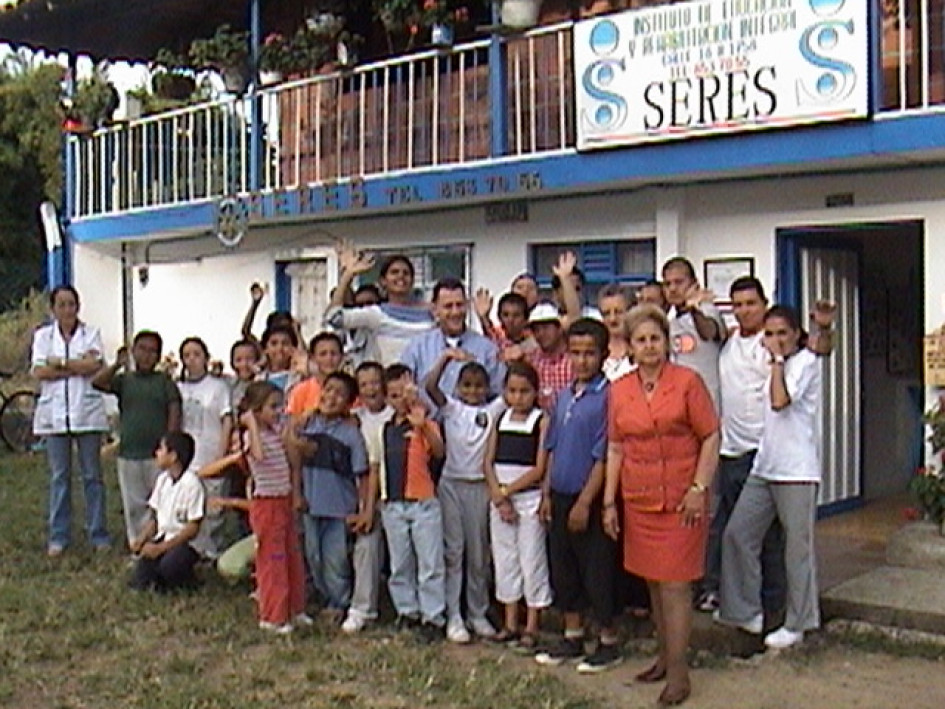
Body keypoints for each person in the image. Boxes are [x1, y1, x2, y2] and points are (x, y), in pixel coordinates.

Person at [603, 304, 720, 706]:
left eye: (656, 338)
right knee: (653, 583)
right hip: (639, 500)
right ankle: (663, 656)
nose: (649, 346)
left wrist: (699, 487)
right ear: (630, 346)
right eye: (641, 340)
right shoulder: (619, 390)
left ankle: (679, 672)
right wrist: (608, 502)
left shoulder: (688, 382)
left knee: (675, 585)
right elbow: (616, 447)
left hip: (682, 500)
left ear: (667, 342)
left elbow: (711, 436)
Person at [697, 279, 836, 614]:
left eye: (751, 303)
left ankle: (777, 611)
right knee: (734, 533)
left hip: (766, 451)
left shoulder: (779, 346)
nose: (745, 310)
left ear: (763, 303)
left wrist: (823, 327)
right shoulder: (729, 342)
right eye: (738, 304)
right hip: (733, 452)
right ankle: (742, 608)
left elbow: (818, 348)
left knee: (775, 543)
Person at [718, 305, 824, 651]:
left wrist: (778, 361)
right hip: (765, 465)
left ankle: (799, 622)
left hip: (796, 470)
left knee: (797, 549)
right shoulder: (767, 362)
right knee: (737, 534)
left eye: (782, 333)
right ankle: (746, 611)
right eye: (770, 333)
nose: (775, 340)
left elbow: (780, 401)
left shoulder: (804, 363)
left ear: (796, 335)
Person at [535, 318, 621, 674]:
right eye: (576, 353)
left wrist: (587, 501)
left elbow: (605, 452)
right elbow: (551, 446)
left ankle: (608, 641)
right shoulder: (564, 395)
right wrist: (546, 493)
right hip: (560, 492)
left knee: (596, 571)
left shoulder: (608, 397)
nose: (582, 360)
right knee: (564, 568)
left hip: (591, 496)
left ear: (602, 355)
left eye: (590, 354)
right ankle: (572, 635)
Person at [425, 351, 507, 643]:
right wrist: (446, 358)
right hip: (451, 485)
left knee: (478, 554)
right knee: (453, 552)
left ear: (487, 388)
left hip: (480, 487)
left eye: (478, 386)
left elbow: (512, 386)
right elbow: (430, 386)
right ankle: (454, 615)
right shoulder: (452, 409)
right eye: (467, 385)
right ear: (458, 388)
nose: (473, 391)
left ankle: (477, 612)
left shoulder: (494, 409)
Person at [31, 285, 111, 557]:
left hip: (86, 413)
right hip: (54, 416)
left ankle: (98, 533)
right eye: (62, 305)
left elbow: (94, 366)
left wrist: (61, 364)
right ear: (53, 309)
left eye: (71, 304)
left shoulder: (91, 334)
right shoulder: (43, 336)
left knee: (92, 476)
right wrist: (75, 365)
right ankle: (59, 535)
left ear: (79, 307)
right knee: (60, 477)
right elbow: (40, 371)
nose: (67, 310)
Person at [289, 371, 369, 620]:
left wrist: (362, 508)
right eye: (329, 390)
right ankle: (324, 597)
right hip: (311, 505)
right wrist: (297, 494)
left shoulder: (350, 434)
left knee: (335, 560)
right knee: (313, 555)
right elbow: (294, 460)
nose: (332, 397)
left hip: (339, 508)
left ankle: (339, 602)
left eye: (340, 394)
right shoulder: (307, 426)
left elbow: (362, 474)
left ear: (349, 403)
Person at [482, 360, 551, 648]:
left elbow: (539, 467)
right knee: (505, 559)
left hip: (528, 498)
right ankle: (510, 622)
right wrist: (497, 494)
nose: (518, 397)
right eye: (512, 391)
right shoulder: (501, 419)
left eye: (524, 391)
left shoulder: (541, 420)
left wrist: (509, 490)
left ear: (535, 392)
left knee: (531, 559)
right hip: (501, 501)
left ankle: (532, 624)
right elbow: (487, 460)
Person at [92, 331, 182, 549]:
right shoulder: (125, 380)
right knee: (134, 504)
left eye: (153, 351)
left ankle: (159, 542)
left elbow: (174, 410)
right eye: (142, 349)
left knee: (160, 501)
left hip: (157, 454)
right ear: (133, 352)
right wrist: (116, 365)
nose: (147, 356)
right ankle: (137, 545)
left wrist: (170, 442)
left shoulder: (164, 382)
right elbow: (97, 382)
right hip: (130, 453)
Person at [379, 364, 447, 642]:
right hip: (394, 503)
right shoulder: (386, 428)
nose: (400, 401)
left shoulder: (425, 423)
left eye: (404, 394)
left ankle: (433, 616)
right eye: (393, 395)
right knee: (400, 563)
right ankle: (407, 611)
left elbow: (440, 452)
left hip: (423, 501)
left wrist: (422, 427)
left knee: (430, 563)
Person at [238, 381, 309, 635]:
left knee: (291, 555)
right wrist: (252, 425)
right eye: (272, 406)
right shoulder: (252, 436)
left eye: (280, 405)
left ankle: (294, 607)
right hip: (266, 503)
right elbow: (257, 455)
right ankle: (272, 615)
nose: (277, 411)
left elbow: (293, 459)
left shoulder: (278, 431)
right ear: (256, 410)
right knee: (272, 560)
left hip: (284, 499)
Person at [341, 361, 395, 634]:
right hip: (367, 496)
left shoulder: (396, 414)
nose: (370, 389)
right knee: (366, 546)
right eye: (364, 384)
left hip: (397, 495)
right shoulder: (355, 418)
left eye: (375, 382)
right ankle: (362, 608)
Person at [325, 243, 434, 365]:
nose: (400, 276)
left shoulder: (429, 314)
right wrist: (348, 275)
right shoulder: (376, 314)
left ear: (412, 280)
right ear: (383, 281)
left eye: (406, 273)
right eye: (394, 272)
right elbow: (334, 317)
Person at [401, 277, 505, 402]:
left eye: (459, 305)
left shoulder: (487, 349)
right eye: (448, 306)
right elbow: (402, 389)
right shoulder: (417, 348)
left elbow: (499, 395)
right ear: (435, 310)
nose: (455, 312)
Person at [178, 337, 233, 558]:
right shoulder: (178, 388)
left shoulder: (218, 387)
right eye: (187, 355)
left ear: (206, 358)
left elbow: (226, 419)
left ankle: (212, 550)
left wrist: (222, 452)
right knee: (189, 504)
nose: (192, 359)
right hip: (187, 455)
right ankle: (191, 550)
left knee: (213, 505)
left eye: (197, 354)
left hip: (210, 451)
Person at [129, 431, 204, 592]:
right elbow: (155, 518)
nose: (156, 453)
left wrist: (162, 548)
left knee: (170, 567)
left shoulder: (192, 484)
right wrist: (142, 539)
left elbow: (192, 528)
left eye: (161, 449)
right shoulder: (163, 480)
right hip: (163, 537)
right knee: (142, 574)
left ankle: (185, 580)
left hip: (183, 543)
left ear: (173, 456)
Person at [662, 257, 727, 408]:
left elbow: (709, 332)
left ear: (694, 283)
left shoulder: (707, 311)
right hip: (678, 402)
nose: (672, 289)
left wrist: (693, 309)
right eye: (667, 284)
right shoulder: (670, 320)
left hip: (707, 402)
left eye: (679, 282)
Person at [285, 332, 344, 425]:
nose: (329, 358)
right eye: (323, 354)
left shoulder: (351, 389)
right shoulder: (301, 390)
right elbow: (290, 425)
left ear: (341, 357)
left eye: (333, 353)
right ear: (312, 358)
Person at [524, 302, 571, 411]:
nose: (540, 334)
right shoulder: (531, 362)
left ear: (559, 328)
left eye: (545, 328)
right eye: (536, 330)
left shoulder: (573, 360)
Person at [473, 290, 536, 361]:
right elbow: (489, 330)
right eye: (506, 315)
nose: (511, 320)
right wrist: (483, 317)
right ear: (499, 317)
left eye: (516, 315)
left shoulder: (535, 339)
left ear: (526, 319)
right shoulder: (497, 338)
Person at [598, 285, 634, 382]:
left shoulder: (642, 348)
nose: (612, 319)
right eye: (606, 313)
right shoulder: (597, 352)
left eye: (618, 312)